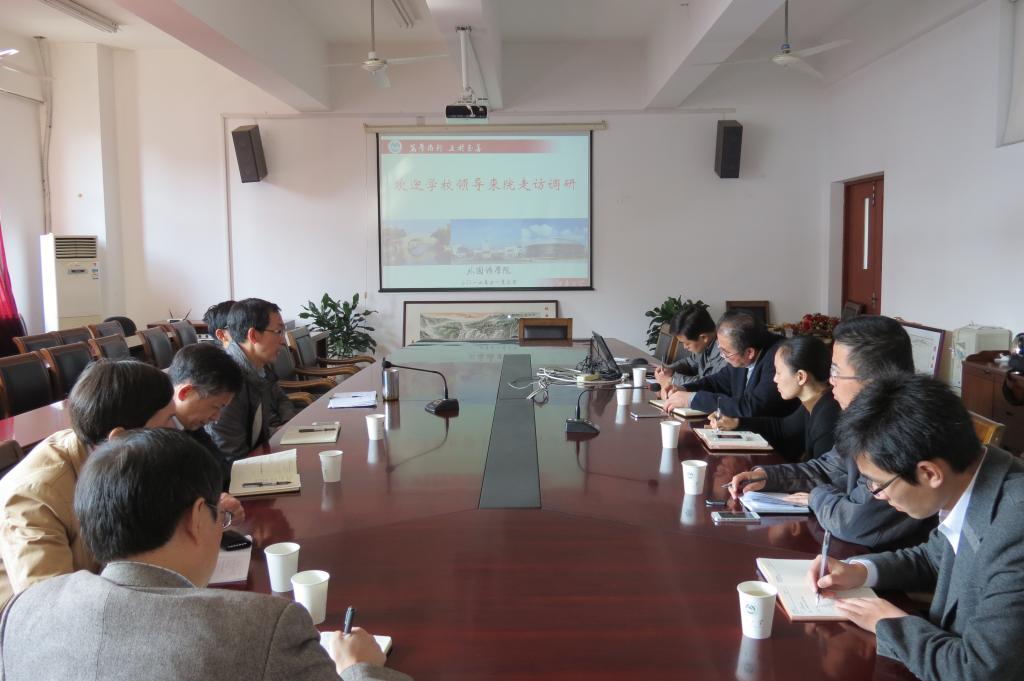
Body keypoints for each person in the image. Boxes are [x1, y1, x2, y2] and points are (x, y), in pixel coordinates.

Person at [0, 429, 413, 681]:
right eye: (220, 516)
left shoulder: (23, 611)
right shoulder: (262, 626)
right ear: (198, 517)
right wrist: (360, 668)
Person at [807, 375, 1024, 681]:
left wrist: (889, 623)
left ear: (929, 473)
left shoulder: (1015, 527)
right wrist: (859, 571)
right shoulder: (974, 478)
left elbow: (978, 670)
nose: (877, 495)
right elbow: (933, 557)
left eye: (879, 484)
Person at [727, 315, 932, 549]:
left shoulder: (902, 431)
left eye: (835, 371)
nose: (830, 381)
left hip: (887, 560)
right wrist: (767, 476)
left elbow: (853, 521)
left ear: (873, 379)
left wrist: (816, 497)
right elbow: (828, 468)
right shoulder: (861, 417)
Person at [0, 360, 175, 606]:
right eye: (168, 420)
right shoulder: (37, 495)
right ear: (120, 437)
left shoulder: (118, 455)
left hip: (102, 596)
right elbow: (49, 607)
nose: (175, 429)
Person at [709, 335, 840, 462]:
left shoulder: (828, 416)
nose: (774, 379)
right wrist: (736, 423)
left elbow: (821, 472)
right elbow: (782, 428)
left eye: (778, 372)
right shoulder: (815, 402)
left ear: (801, 377)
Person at [660, 310, 798, 418]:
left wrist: (692, 399)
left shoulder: (780, 359)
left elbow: (752, 408)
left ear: (749, 352)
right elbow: (718, 382)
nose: (722, 356)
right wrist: (684, 389)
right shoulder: (743, 347)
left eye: (725, 352)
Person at [206, 298, 296, 463]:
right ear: (253, 335)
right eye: (278, 331)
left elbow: (258, 431)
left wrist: (285, 429)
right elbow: (232, 456)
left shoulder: (260, 367)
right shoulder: (228, 379)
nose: (283, 340)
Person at [169, 342, 245, 479]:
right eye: (215, 407)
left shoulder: (193, 425)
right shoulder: (155, 437)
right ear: (185, 393)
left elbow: (222, 469)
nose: (216, 418)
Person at [653, 303, 727, 394]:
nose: (684, 347)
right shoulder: (705, 344)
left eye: (687, 343)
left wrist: (672, 379)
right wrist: (670, 370)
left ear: (704, 337)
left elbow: (708, 385)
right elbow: (689, 363)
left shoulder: (726, 353)